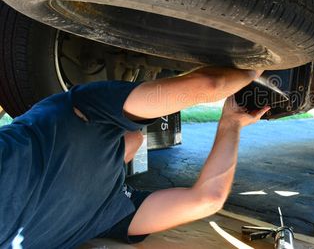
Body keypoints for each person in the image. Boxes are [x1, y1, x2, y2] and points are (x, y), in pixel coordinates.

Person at [0, 67, 270, 249]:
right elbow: (210, 84)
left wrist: (247, 82)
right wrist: (232, 121)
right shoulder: (110, 211)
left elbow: (207, 199)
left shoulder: (71, 110)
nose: (140, 138)